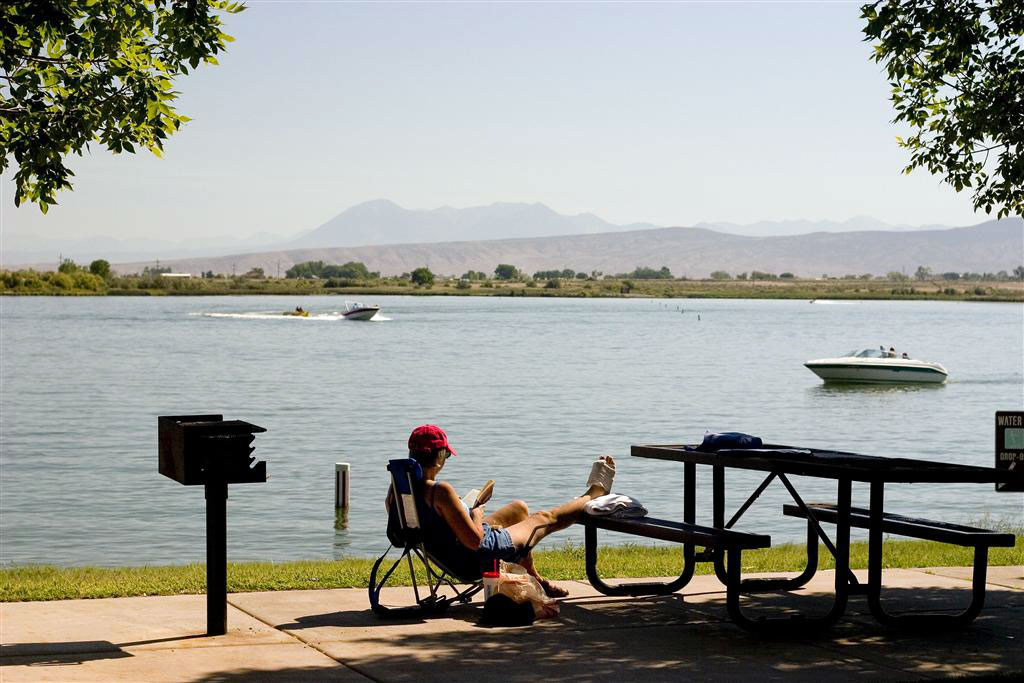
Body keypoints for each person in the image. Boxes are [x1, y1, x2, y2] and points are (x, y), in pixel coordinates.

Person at [388, 424, 615, 598]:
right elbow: (475, 542)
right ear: (439, 457)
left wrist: (466, 514)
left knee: (518, 509)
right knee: (545, 518)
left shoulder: (399, 489)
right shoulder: (440, 491)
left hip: (449, 549)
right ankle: (595, 491)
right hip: (473, 557)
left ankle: (535, 579)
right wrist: (476, 514)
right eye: (446, 455)